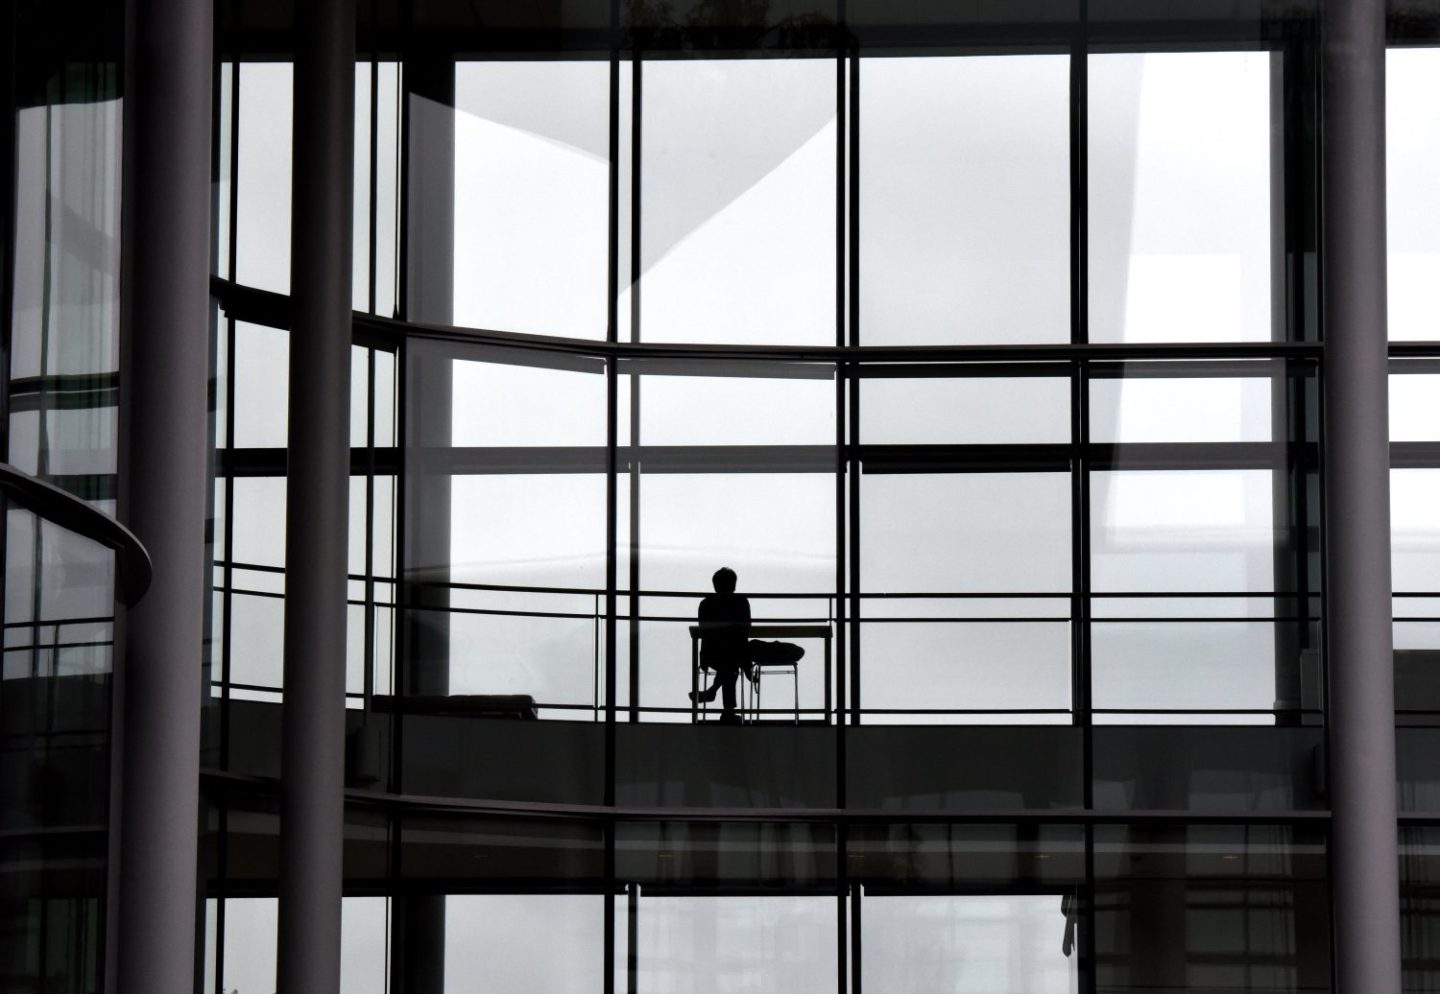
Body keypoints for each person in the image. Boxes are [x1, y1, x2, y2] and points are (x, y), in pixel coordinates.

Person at [691, 566, 751, 724]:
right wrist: (746, 664)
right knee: (731, 663)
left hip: (712, 654)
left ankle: (714, 694)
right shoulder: (741, 602)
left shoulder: (705, 604)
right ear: (734, 585)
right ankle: (727, 711)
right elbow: (745, 632)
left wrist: (703, 657)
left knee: (728, 662)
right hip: (735, 653)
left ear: (715, 585)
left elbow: (704, 632)